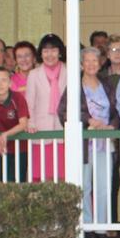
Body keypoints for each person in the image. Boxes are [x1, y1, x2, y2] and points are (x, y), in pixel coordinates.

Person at [78, 47, 119, 231]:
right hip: (84, 143)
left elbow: (118, 109)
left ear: (100, 62)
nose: (91, 64)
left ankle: (101, 226)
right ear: (81, 64)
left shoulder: (107, 84)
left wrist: (112, 125)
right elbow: (64, 110)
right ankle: (86, 225)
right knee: (84, 185)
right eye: (87, 61)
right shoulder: (75, 85)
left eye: (94, 60)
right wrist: (88, 120)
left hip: (104, 142)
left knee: (103, 185)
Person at [25, 33, 67, 180]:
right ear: (41, 53)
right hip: (40, 130)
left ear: (60, 52)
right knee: (42, 176)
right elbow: (29, 103)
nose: (50, 54)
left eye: (54, 50)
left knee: (64, 176)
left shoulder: (70, 72)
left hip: (64, 130)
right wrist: (30, 123)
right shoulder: (34, 74)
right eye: (46, 51)